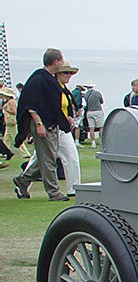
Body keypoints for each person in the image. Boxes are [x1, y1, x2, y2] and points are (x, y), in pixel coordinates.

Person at [13, 48, 71, 200]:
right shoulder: (39, 79)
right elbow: (31, 104)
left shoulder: (49, 79)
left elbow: (54, 104)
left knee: (45, 158)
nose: (63, 63)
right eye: (61, 60)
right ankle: (54, 192)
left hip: (50, 123)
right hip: (42, 123)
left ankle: (22, 180)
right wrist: (38, 123)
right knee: (49, 159)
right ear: (55, 61)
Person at [54, 65, 82, 196]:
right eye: (65, 73)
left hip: (62, 128)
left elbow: (66, 108)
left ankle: (73, 188)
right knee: (41, 159)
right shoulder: (54, 88)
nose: (68, 75)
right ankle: (23, 180)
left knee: (71, 156)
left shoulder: (64, 90)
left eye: (70, 73)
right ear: (58, 74)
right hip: (54, 127)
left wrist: (69, 117)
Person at [83, 82, 104, 146]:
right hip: (97, 110)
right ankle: (102, 141)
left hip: (89, 111)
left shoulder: (86, 94)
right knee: (100, 127)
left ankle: (93, 142)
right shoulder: (97, 93)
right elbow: (102, 101)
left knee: (91, 128)